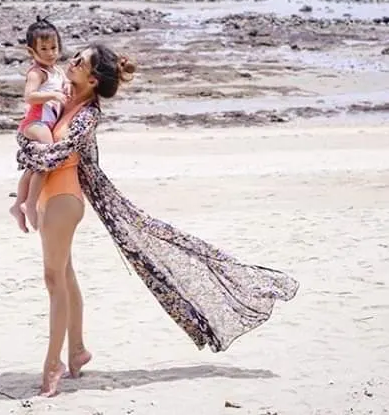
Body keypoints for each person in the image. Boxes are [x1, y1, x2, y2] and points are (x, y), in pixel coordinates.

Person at [17, 43, 299, 397]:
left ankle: (52, 364)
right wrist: (29, 150)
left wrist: (29, 148)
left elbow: (55, 154)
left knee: (53, 279)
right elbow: (33, 129)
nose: (70, 62)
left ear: (93, 79)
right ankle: (77, 350)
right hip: (48, 197)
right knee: (64, 275)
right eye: (74, 57)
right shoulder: (61, 100)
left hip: (64, 199)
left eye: (80, 61)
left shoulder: (87, 116)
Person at [10, 17, 69, 233]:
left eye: (54, 47)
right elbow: (29, 96)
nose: (50, 53)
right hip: (35, 122)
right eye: (43, 49)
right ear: (31, 51)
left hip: (46, 122)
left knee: (34, 167)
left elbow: (66, 86)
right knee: (48, 157)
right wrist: (53, 95)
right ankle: (30, 203)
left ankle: (18, 205)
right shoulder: (37, 73)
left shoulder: (58, 71)